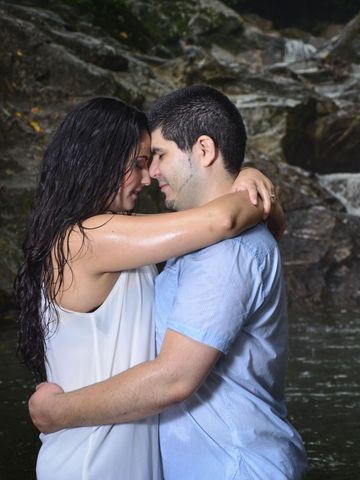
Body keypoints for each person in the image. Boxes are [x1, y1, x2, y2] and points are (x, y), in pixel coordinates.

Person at [29, 86, 308, 479]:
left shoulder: (139, 239)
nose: (149, 176)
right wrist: (257, 194)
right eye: (140, 163)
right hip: (91, 460)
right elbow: (219, 220)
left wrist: (252, 181)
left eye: (155, 158)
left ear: (204, 150)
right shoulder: (86, 239)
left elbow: (216, 221)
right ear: (100, 162)